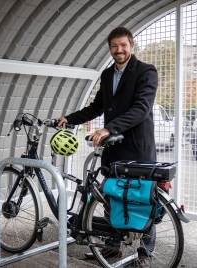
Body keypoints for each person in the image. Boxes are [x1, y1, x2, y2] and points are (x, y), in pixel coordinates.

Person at [58, 26, 158, 268]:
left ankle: (145, 253)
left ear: (131, 46)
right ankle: (112, 246)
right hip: (113, 148)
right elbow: (96, 107)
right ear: (110, 49)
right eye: (114, 46)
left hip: (136, 147)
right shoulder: (106, 74)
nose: (119, 50)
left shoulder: (146, 72)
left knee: (142, 199)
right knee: (110, 195)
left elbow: (141, 109)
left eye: (123, 45)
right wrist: (69, 119)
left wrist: (108, 128)